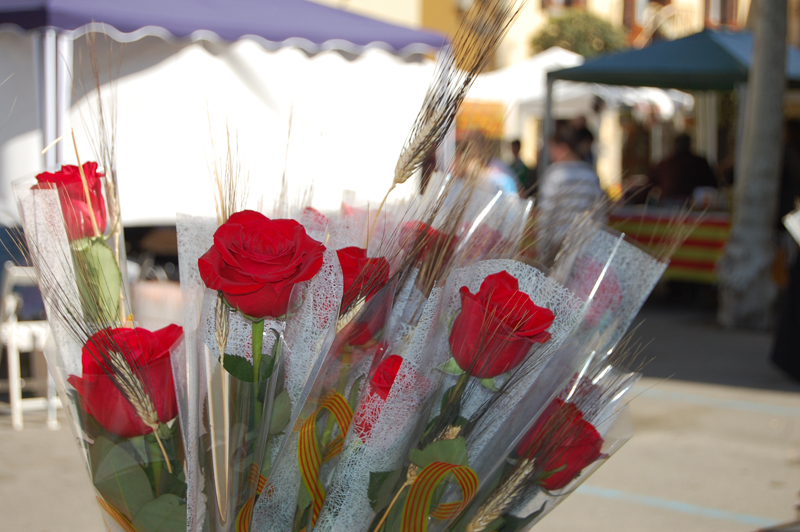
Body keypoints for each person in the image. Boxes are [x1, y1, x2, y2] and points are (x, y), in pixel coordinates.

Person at [537, 126, 606, 265]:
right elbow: (600, 215)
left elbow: (546, 214)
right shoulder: (590, 175)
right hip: (587, 246)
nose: (550, 154)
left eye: (552, 148)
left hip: (557, 246)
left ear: (563, 147)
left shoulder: (554, 175)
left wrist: (542, 249)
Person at [648, 133, 717, 204]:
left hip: (681, 204)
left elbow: (649, 184)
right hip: (689, 204)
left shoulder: (665, 164)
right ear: (689, 144)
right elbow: (713, 184)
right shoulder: (700, 162)